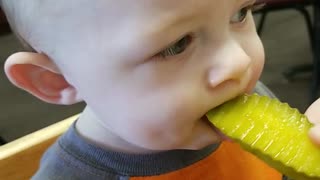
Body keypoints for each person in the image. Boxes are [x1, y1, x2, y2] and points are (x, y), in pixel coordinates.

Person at [1, 0, 319, 179]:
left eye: (240, 13)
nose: (239, 62)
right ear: (59, 81)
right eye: (176, 45)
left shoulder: (246, 96)